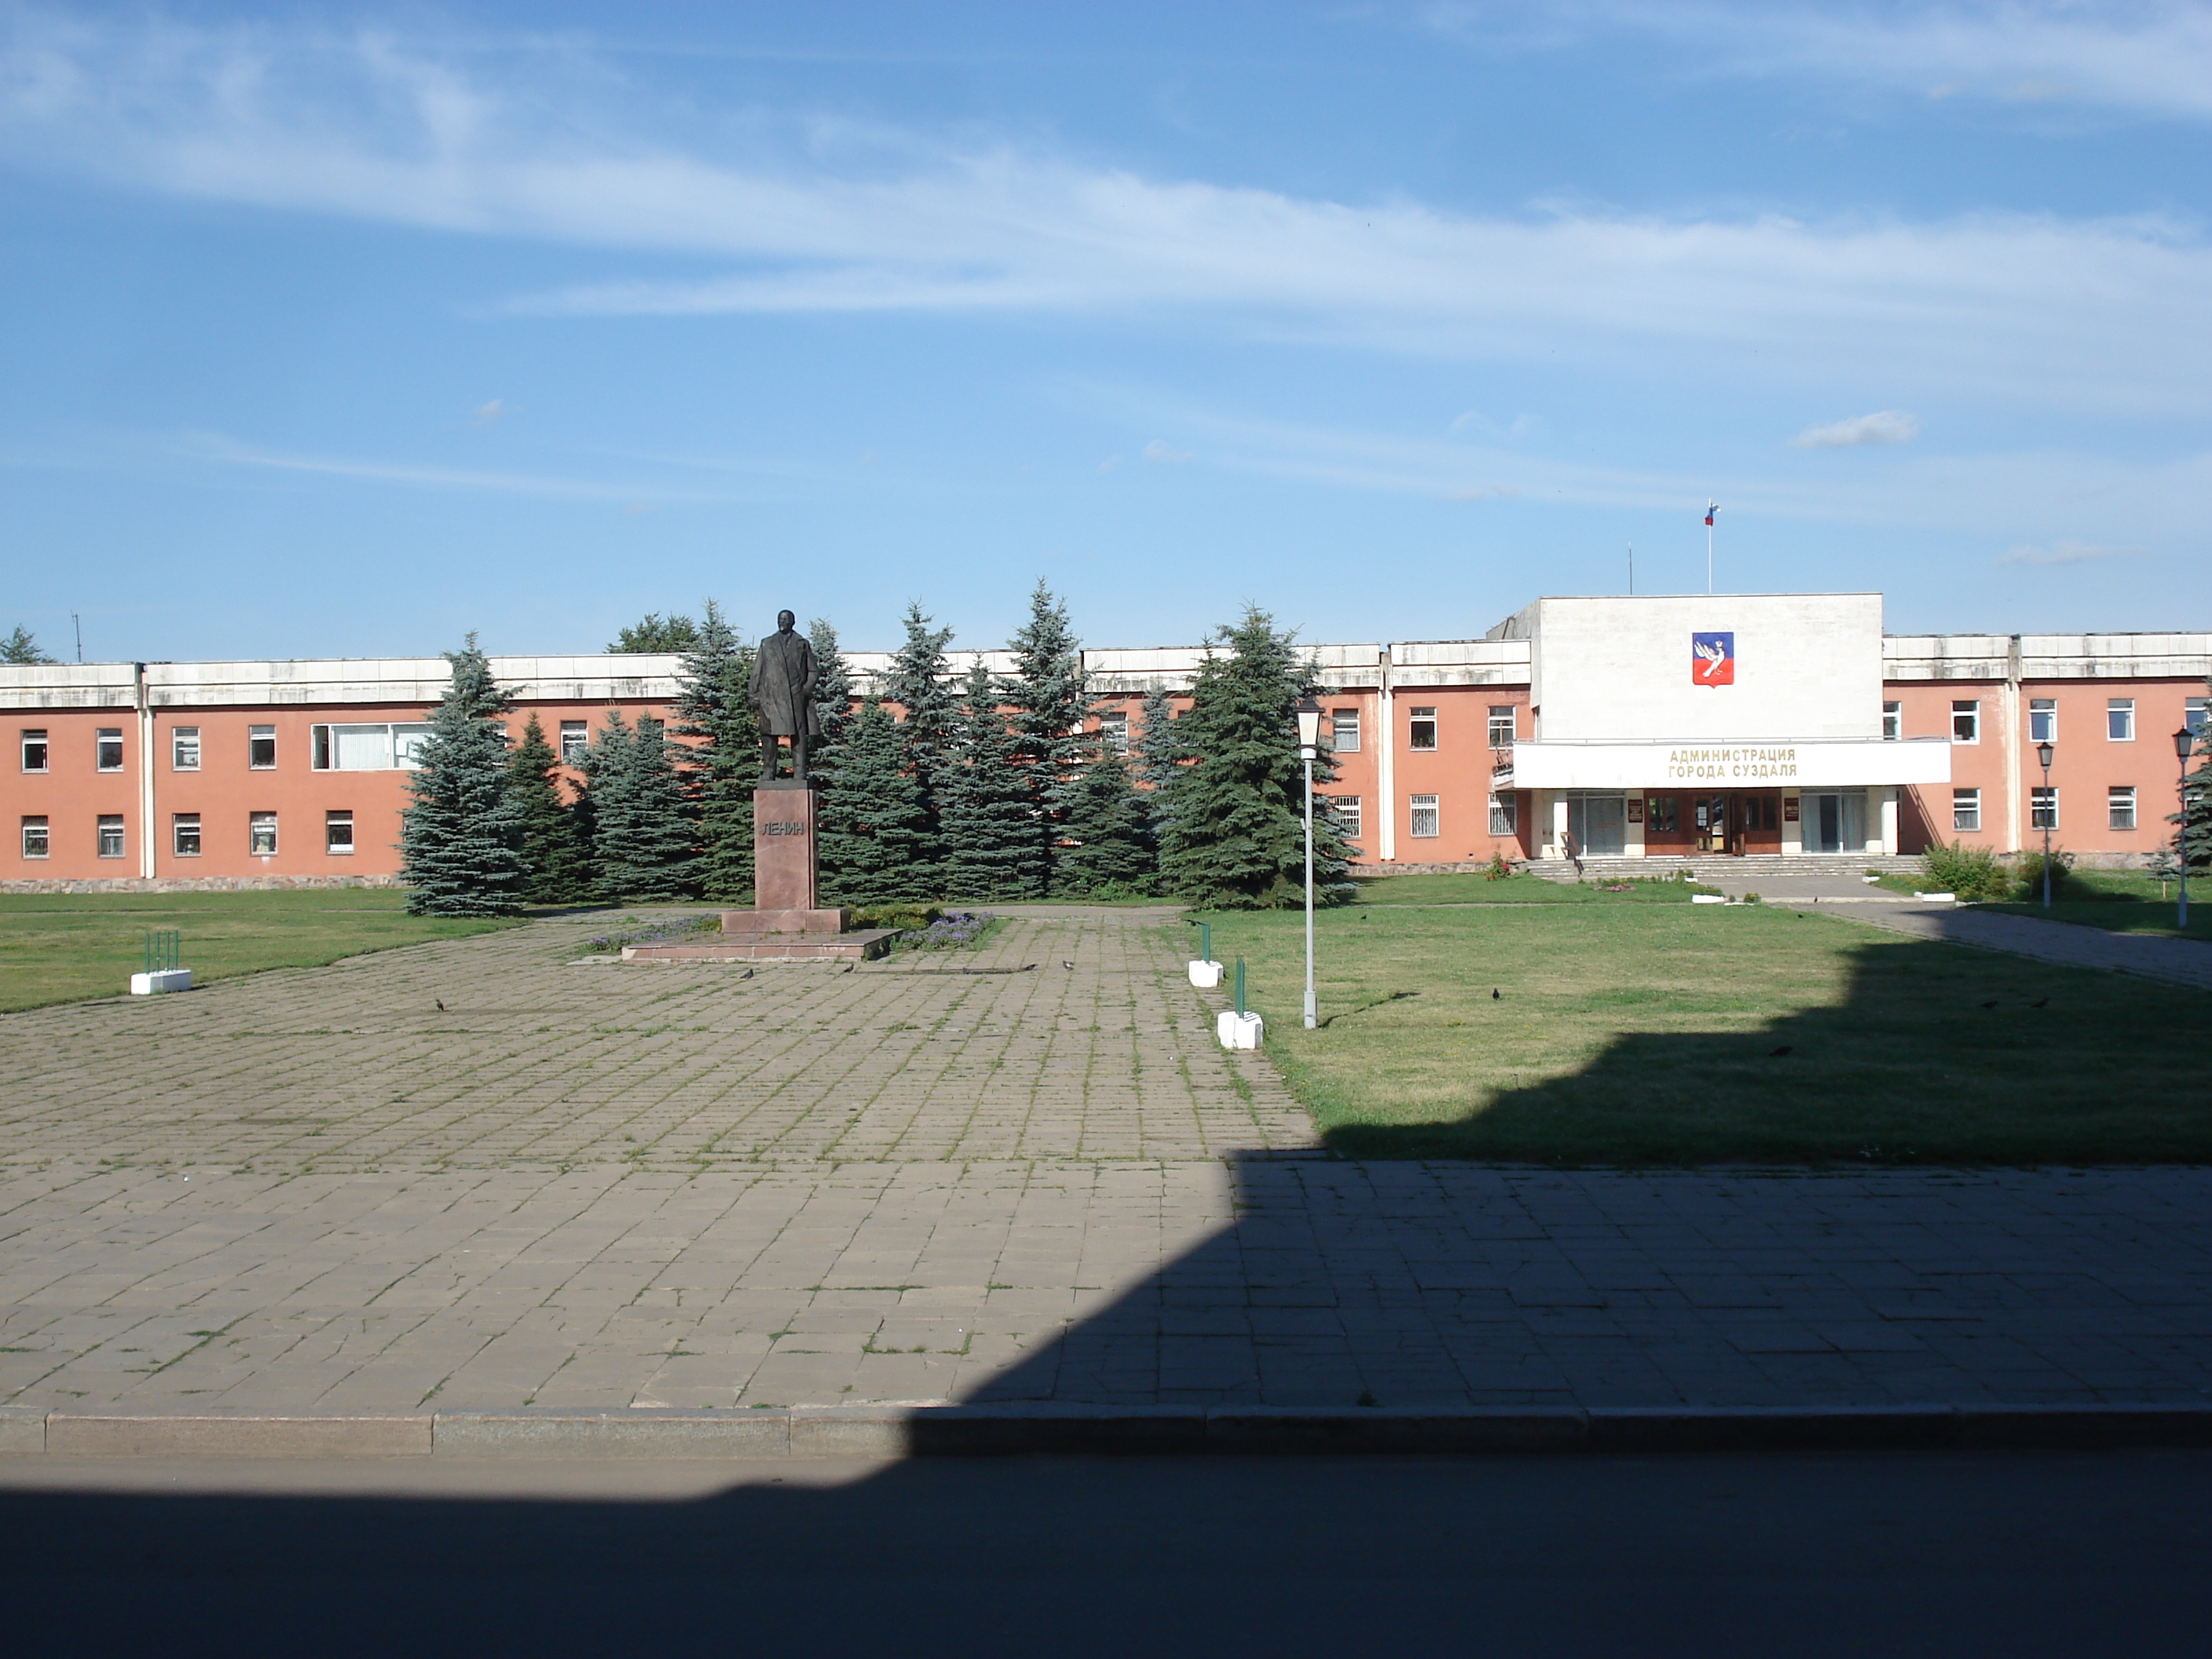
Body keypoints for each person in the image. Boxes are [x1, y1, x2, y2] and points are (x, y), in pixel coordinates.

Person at [749, 610, 820, 782]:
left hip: (795, 697)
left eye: (786, 619)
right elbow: (757, 671)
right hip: (771, 698)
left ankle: (800, 772)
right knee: (769, 737)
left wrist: (805, 690)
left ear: (793, 622)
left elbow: (813, 671)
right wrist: (753, 694)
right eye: (780, 619)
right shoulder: (767, 643)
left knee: (798, 737)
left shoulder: (802, 643)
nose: (782, 622)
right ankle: (768, 772)